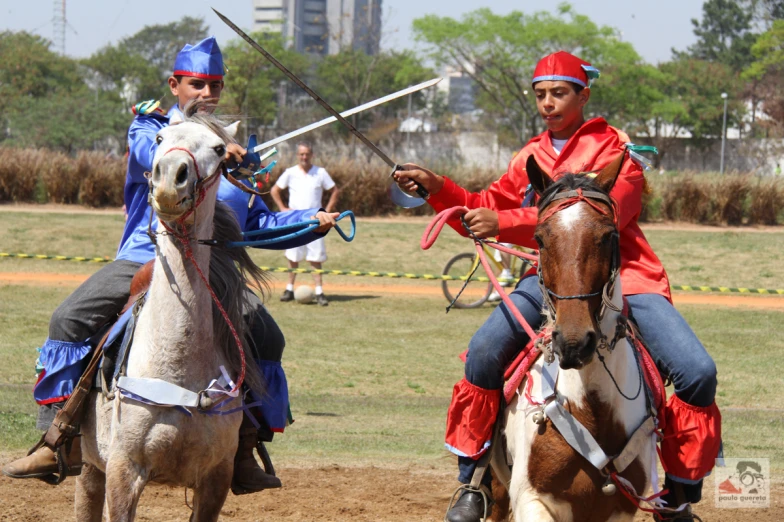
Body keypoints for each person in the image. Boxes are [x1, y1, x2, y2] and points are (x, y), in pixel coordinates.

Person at [2, 36, 342, 495]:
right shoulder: (152, 128)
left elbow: (258, 223)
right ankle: (56, 440)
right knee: (69, 317)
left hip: (213, 267)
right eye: (197, 84)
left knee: (268, 337)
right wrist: (207, 148)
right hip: (146, 256)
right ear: (175, 85)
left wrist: (311, 222)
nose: (207, 94)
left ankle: (242, 448)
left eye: (215, 86)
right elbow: (153, 157)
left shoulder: (236, 157)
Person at [395, 51, 721, 522]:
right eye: (540, 94)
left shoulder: (618, 152)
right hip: (551, 283)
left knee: (697, 371)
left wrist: (504, 220)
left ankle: (677, 495)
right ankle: (475, 482)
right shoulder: (530, 155)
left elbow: (597, 216)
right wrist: (437, 188)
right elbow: (484, 205)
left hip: (626, 278)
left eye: (559, 93)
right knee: (485, 350)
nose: (548, 103)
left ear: (583, 95)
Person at [271, 142, 340, 306]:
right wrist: (283, 209)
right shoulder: (290, 173)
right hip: (295, 221)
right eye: (301, 154)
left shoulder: (320, 173)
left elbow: (335, 191)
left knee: (316, 259)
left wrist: (327, 212)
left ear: (311, 155)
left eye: (307, 154)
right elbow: (275, 190)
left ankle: (319, 292)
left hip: (315, 221)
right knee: (293, 257)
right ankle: (289, 289)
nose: (304, 157)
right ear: (297, 155)